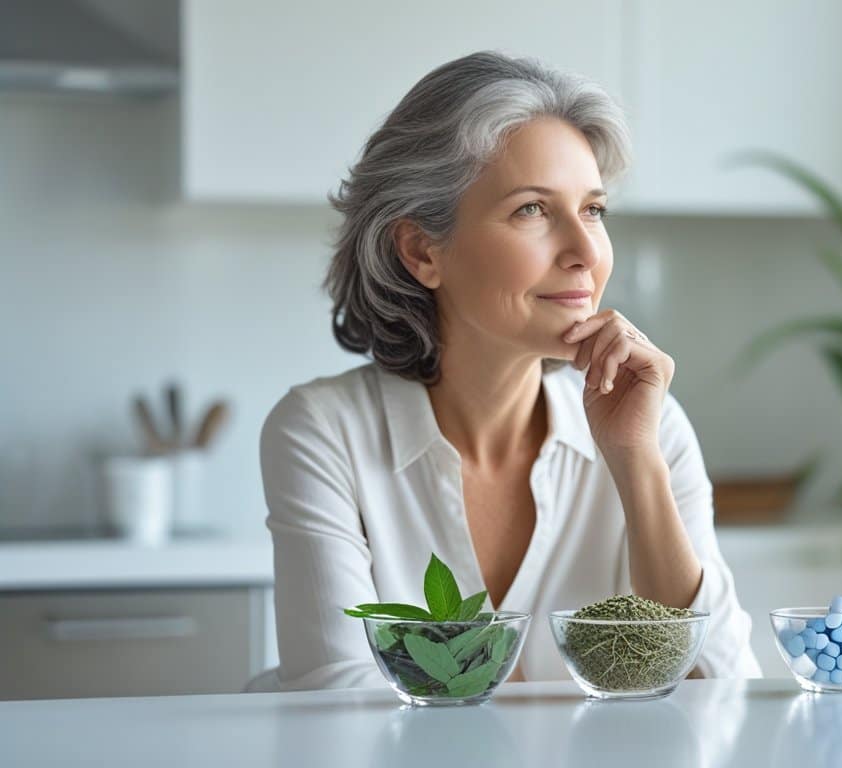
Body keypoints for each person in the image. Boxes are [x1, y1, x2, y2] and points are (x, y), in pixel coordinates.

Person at [255, 51, 762, 689]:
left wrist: (635, 460)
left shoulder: (648, 423)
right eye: (532, 210)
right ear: (421, 251)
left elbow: (726, 690)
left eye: (593, 210)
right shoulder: (326, 432)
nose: (585, 253)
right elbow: (336, 700)